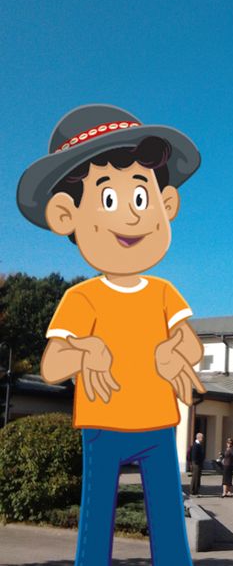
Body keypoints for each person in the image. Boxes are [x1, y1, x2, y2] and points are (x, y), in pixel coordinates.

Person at [17, 104, 207, 566]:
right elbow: (51, 365)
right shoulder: (82, 298)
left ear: (165, 207)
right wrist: (84, 352)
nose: (130, 216)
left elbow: (192, 344)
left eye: (141, 199)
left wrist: (174, 352)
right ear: (67, 215)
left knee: (167, 522)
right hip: (102, 425)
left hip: (158, 424)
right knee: (96, 519)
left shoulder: (164, 292)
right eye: (107, 200)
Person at [189, 432, 205, 497]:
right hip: (196, 464)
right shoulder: (196, 445)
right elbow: (194, 455)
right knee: (195, 477)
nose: (203, 439)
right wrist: (196, 462)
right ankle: (193, 491)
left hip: (198, 463)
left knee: (197, 477)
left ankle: (196, 491)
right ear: (199, 438)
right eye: (202, 438)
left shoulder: (198, 444)